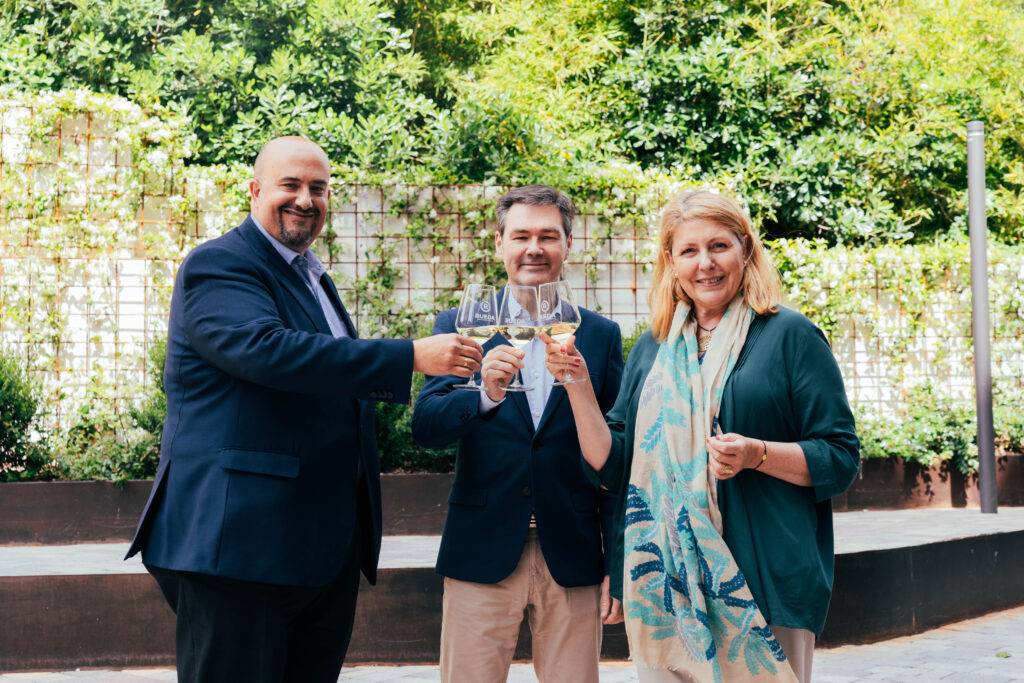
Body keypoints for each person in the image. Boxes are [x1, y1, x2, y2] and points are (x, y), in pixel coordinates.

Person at [124, 136, 483, 682]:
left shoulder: (311, 275)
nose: (305, 199)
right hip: (238, 551)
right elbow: (270, 352)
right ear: (255, 190)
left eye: (318, 188)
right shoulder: (219, 264)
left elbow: (329, 388)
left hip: (316, 552)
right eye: (290, 185)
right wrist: (409, 355)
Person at [542, 189, 860, 683]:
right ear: (671, 263)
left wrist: (757, 455)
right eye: (689, 251)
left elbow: (839, 458)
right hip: (668, 587)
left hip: (763, 580)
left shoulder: (790, 336)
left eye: (719, 247)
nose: (705, 264)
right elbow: (615, 465)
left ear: (746, 251)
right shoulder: (655, 346)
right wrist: (577, 385)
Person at [411, 185, 624, 683]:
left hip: (572, 553)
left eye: (548, 236)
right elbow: (426, 426)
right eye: (521, 235)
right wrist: (483, 393)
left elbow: (618, 457)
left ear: (567, 245)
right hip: (481, 549)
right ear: (500, 243)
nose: (534, 248)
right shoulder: (463, 325)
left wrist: (614, 555)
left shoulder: (599, 334)